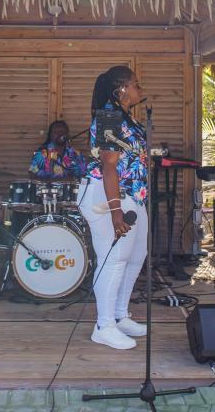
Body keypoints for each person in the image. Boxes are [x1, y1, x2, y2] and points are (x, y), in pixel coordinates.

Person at [78, 66, 148, 350]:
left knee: (136, 256)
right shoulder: (109, 115)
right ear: (121, 89)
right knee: (115, 257)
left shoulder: (127, 118)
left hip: (134, 194)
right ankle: (104, 326)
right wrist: (115, 211)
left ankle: (120, 316)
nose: (139, 89)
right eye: (135, 84)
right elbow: (108, 165)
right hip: (108, 196)